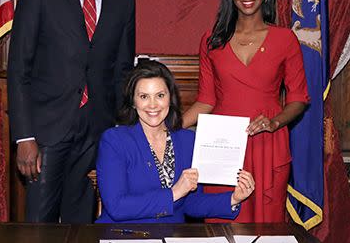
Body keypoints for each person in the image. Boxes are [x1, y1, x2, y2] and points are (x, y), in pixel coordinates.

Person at [7, 0, 135, 223]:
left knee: (82, 225)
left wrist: (120, 132)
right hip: (47, 133)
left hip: (96, 134)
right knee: (40, 224)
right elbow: (19, 67)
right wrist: (24, 137)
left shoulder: (124, 0)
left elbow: (122, 72)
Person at [182, 0, 309, 223]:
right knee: (222, 221)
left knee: (266, 226)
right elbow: (206, 100)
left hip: (267, 144)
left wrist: (274, 122)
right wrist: (166, 126)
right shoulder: (211, 40)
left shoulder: (285, 39)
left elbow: (298, 99)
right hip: (222, 145)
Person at [96, 61, 255, 223]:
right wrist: (175, 192)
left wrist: (234, 199)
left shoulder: (187, 140)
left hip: (172, 235)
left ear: (170, 99)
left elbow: (190, 204)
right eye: (144, 96)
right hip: (123, 236)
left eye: (160, 95)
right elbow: (117, 207)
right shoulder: (114, 141)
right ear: (133, 102)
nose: (152, 105)